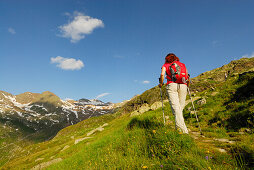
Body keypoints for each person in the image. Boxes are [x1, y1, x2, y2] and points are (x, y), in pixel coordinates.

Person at [158, 53, 189, 134]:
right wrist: (187, 85)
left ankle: (183, 131)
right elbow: (187, 76)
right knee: (180, 108)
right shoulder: (182, 64)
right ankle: (179, 128)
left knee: (176, 108)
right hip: (183, 85)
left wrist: (161, 83)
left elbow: (162, 75)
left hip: (172, 85)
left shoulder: (165, 65)